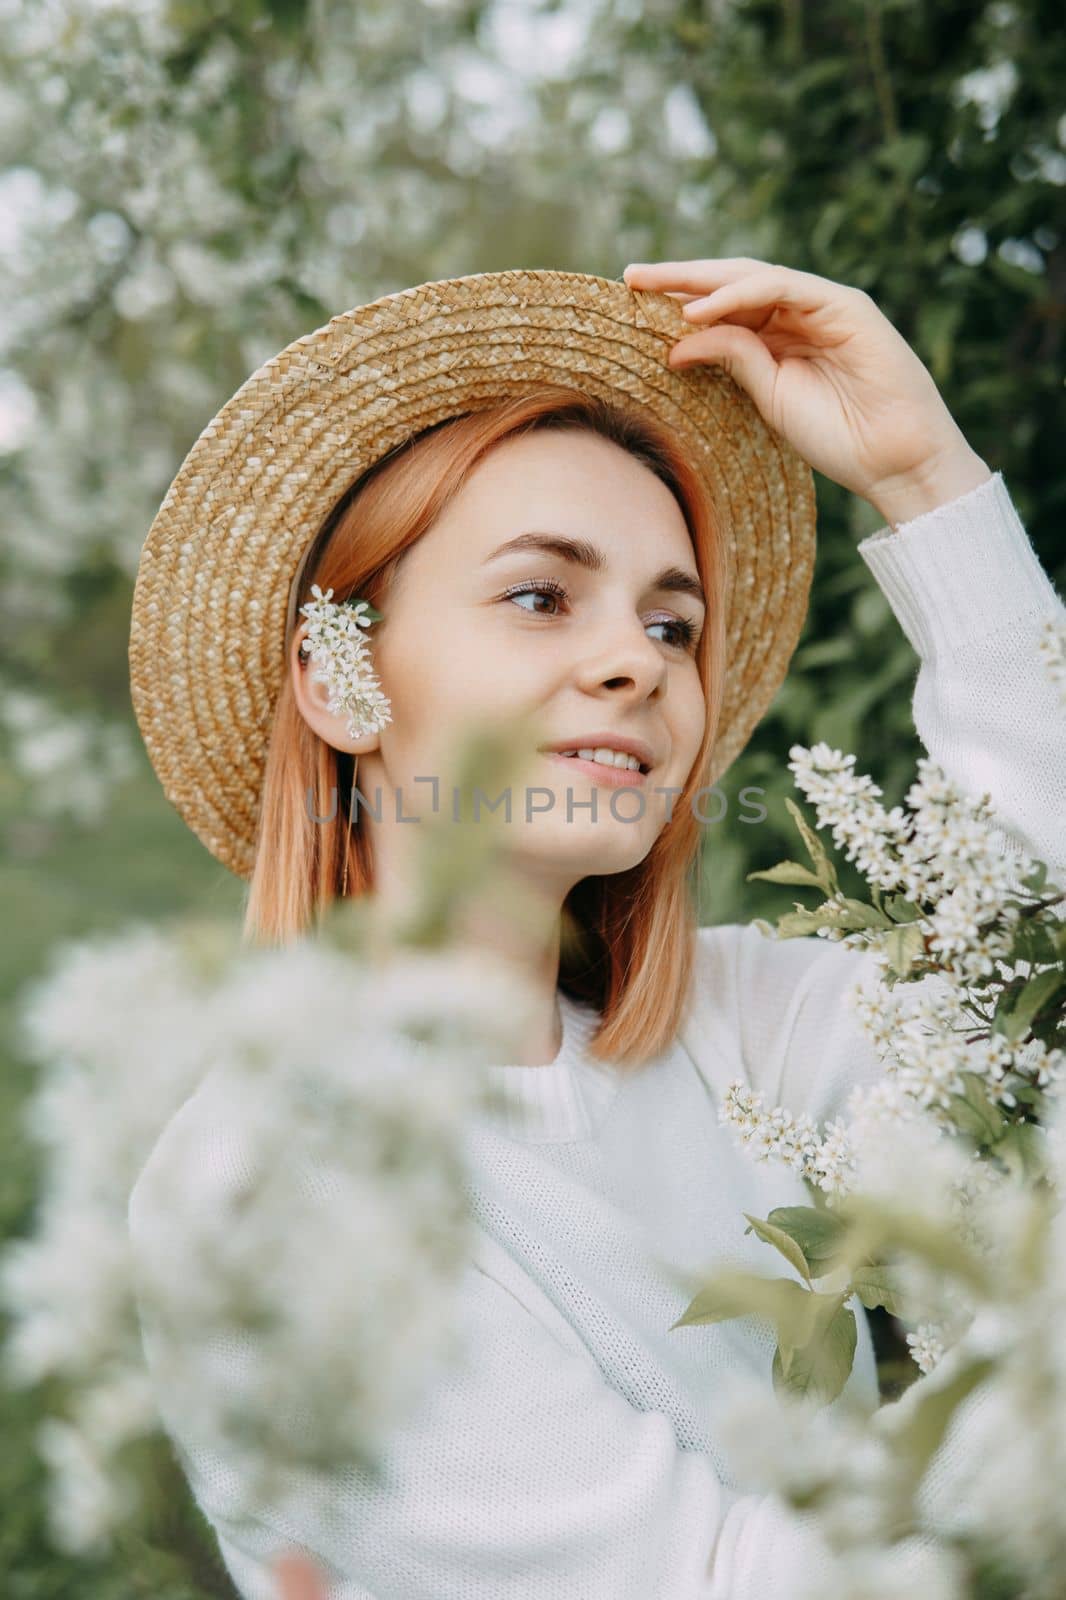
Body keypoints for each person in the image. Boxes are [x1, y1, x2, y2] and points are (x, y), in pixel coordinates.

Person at [126, 261, 1066, 1598]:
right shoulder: (269, 1187)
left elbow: (1036, 971)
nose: (638, 660)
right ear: (337, 678)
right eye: (539, 595)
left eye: (672, 623)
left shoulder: (739, 1029)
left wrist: (928, 484)